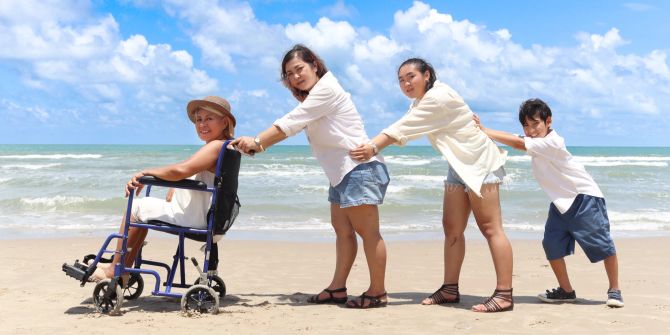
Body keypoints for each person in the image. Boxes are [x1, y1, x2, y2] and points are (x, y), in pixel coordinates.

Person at [350, 58, 514, 312]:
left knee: (490, 228)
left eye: (411, 77)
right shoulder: (421, 102)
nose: (406, 83)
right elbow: (404, 124)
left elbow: (402, 128)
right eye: (401, 80)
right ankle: (449, 290)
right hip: (458, 167)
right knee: (451, 227)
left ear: (427, 75)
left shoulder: (438, 97)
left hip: (481, 164)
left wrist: (373, 146)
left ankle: (504, 294)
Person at [232, 44, 390, 309]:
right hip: (341, 172)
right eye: (289, 74)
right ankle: (337, 289)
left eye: (299, 69)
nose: (295, 77)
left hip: (358, 169)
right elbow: (296, 122)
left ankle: (377, 292)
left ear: (314, 65)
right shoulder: (315, 95)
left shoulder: (326, 90)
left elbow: (291, 122)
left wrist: (257, 142)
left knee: (369, 234)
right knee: (342, 232)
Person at [473, 98, 624, 308]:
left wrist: (484, 130)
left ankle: (614, 290)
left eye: (536, 123)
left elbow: (518, 142)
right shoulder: (537, 143)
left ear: (548, 121)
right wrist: (486, 133)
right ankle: (566, 291)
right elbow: (517, 139)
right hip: (560, 204)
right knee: (551, 246)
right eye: (526, 125)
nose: (531, 130)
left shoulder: (553, 142)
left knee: (603, 246)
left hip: (584, 198)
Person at [89, 95, 236, 282]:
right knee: (145, 208)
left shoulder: (216, 146)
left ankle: (116, 268)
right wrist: (176, 185)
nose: (202, 124)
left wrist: (146, 173)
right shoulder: (226, 148)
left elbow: (181, 169)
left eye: (209, 118)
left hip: (194, 218)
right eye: (199, 120)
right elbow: (189, 170)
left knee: (136, 208)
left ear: (224, 122)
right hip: (207, 216)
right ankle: (122, 265)